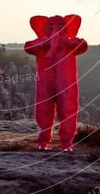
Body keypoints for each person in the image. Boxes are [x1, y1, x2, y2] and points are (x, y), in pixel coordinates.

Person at [24, 15, 88, 152]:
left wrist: (65, 41)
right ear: (43, 27)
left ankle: (66, 143)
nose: (55, 29)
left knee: (68, 109)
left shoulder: (70, 43)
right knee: (43, 109)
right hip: (45, 82)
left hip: (67, 82)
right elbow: (28, 47)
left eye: (60, 26)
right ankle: (43, 140)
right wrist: (47, 43)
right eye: (51, 26)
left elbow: (83, 45)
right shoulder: (41, 43)